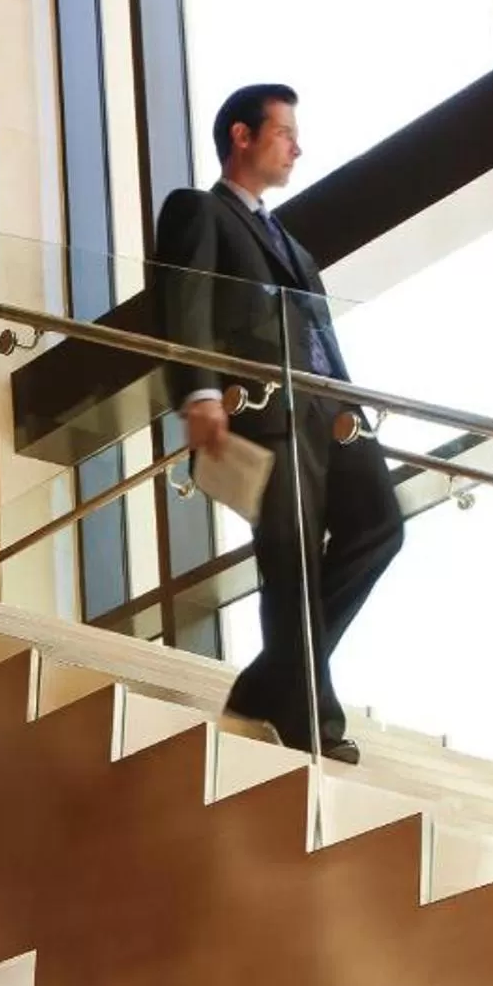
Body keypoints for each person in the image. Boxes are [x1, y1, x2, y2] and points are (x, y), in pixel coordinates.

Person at [154, 84, 403, 764]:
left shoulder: (289, 244)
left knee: (381, 525)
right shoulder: (198, 211)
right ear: (242, 136)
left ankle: (270, 681)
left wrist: (351, 406)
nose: (297, 147)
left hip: (331, 412)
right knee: (291, 560)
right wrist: (199, 391)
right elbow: (186, 299)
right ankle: (308, 717)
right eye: (285, 133)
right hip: (266, 411)